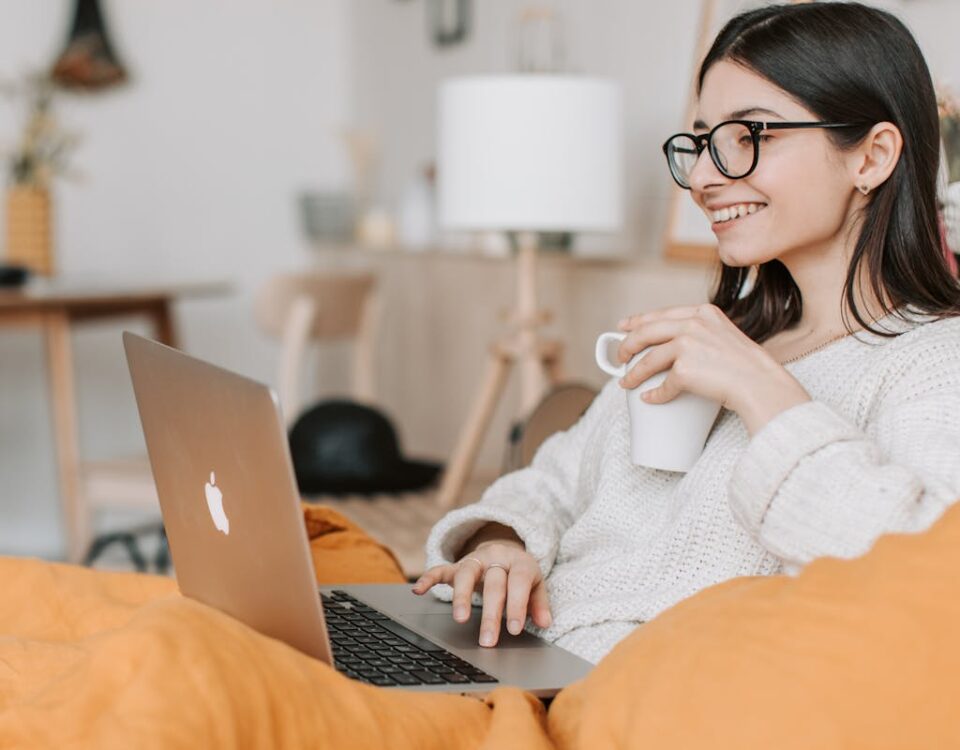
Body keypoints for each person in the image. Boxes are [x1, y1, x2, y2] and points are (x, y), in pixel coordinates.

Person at [413, 1, 960, 665]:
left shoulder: (932, 363)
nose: (703, 177)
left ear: (871, 157)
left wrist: (763, 391)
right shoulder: (715, 335)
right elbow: (550, 483)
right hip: (515, 653)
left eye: (749, 135)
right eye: (703, 141)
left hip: (623, 698)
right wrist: (501, 542)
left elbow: (924, 571)